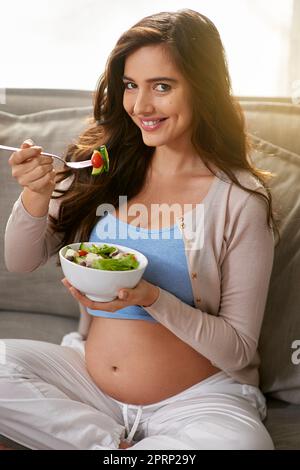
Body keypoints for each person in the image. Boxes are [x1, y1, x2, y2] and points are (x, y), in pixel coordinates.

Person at [0, 9, 277, 450]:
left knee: (243, 446)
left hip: (197, 401)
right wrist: (36, 196)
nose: (141, 106)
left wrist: (151, 298)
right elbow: (19, 261)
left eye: (162, 87)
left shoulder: (240, 201)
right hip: (87, 384)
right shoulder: (98, 167)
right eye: (131, 85)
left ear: (202, 90)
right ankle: (108, 447)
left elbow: (239, 348)